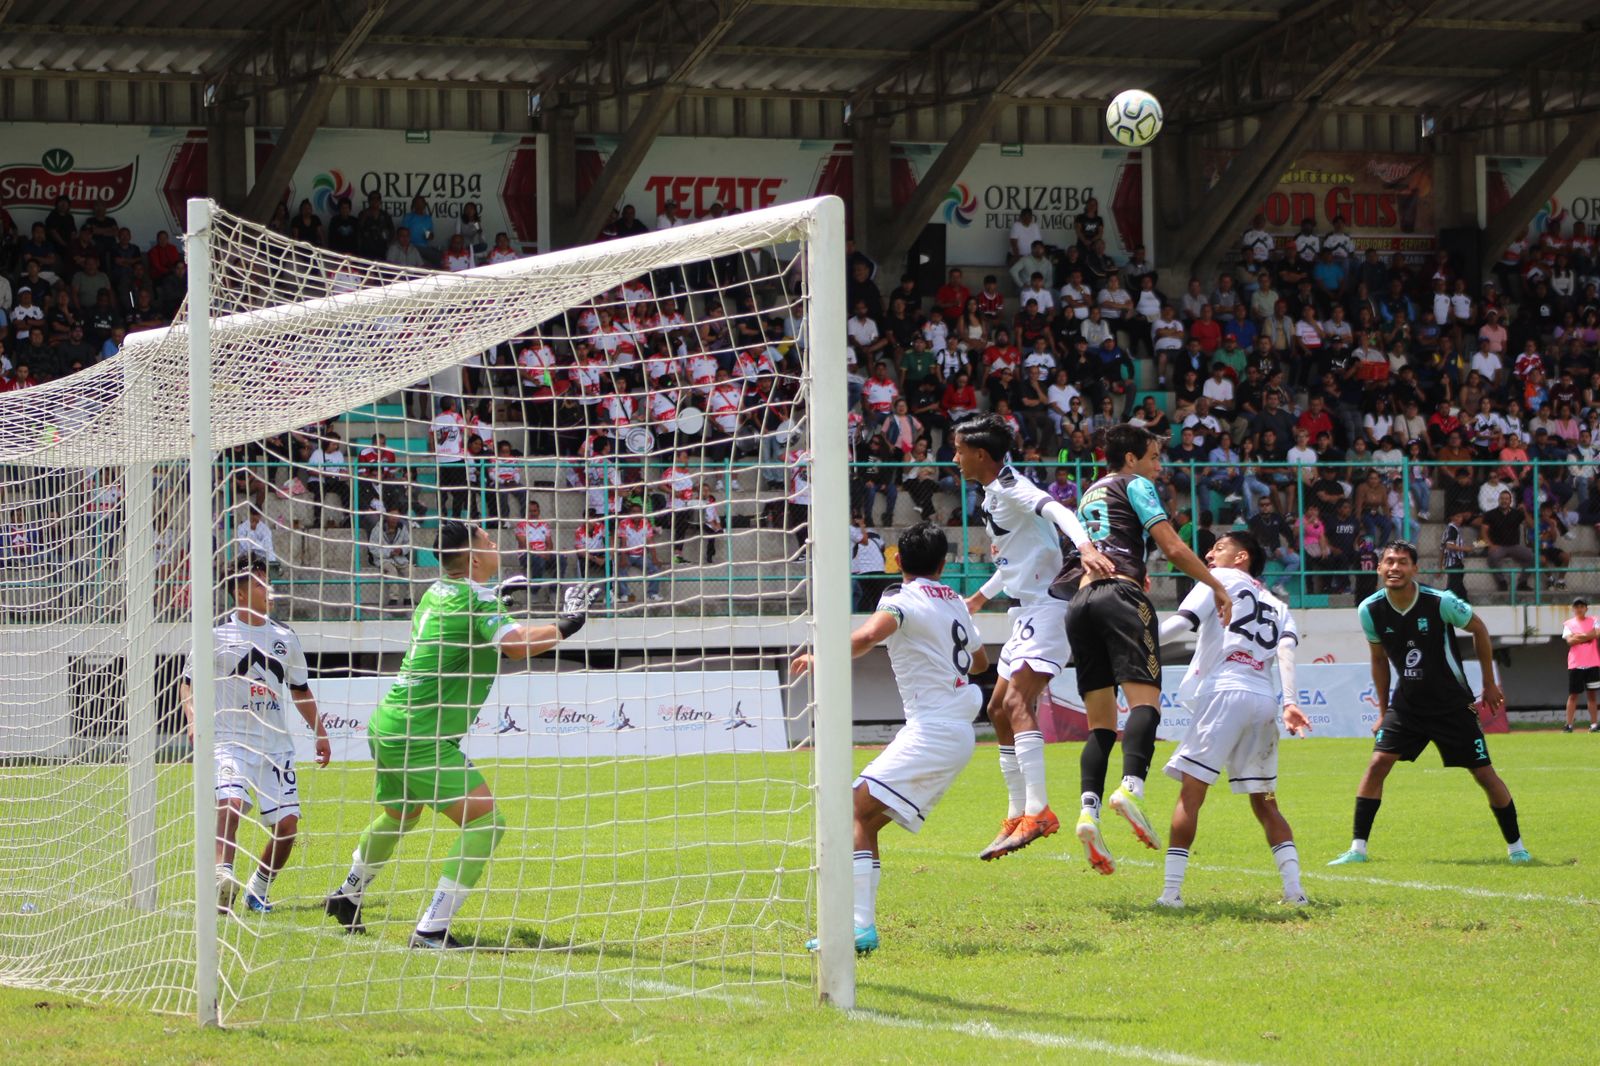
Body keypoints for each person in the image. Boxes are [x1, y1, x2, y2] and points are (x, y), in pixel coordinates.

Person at [323, 522, 595, 948]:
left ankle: (347, 894)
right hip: (422, 736)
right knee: (486, 822)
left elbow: (462, 634)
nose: (493, 544)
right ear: (471, 557)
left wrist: (499, 600)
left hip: (393, 724)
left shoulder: (437, 591)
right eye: (485, 541)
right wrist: (568, 624)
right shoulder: (474, 597)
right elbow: (516, 645)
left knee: (401, 816)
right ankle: (431, 930)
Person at [794, 523, 989, 956]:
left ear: (897, 560)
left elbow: (866, 636)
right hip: (956, 729)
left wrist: (820, 655)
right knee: (862, 819)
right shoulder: (955, 601)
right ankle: (857, 926)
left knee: (851, 812)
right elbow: (979, 663)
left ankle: (858, 928)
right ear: (944, 564)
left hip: (933, 730)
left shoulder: (901, 602)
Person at [1051, 423, 1231, 875]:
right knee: (1146, 701)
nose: (1158, 465)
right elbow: (1171, 546)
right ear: (1131, 459)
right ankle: (1130, 788)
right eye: (1153, 457)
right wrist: (1215, 585)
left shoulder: (1090, 493)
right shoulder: (1137, 484)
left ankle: (1088, 811)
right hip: (1120, 598)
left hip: (1081, 602)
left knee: (1099, 724)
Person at [952, 415, 1113, 860]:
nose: (955, 457)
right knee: (998, 708)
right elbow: (1015, 562)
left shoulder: (1010, 485)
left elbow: (1057, 509)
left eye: (959, 450)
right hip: (1023, 609)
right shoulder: (991, 493)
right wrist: (979, 599)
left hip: (1047, 609)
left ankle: (1040, 811)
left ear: (980, 454)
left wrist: (1085, 547)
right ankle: (1017, 812)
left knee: (1017, 704)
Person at [1328, 541, 1529, 866]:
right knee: (1377, 764)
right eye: (1389, 562)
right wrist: (1383, 713)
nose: (1395, 567)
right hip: (1407, 706)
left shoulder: (1441, 602)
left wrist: (1489, 683)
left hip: (1452, 705)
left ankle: (1517, 848)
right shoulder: (1370, 609)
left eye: (1402, 562)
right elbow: (1378, 660)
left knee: (1484, 774)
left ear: (1414, 569)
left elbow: (1479, 628)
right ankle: (1357, 850)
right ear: (1379, 569)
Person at [1155, 532, 1312, 908]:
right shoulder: (1278, 604)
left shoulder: (1218, 580)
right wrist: (1289, 703)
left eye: (1219, 548)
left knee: (1191, 795)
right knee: (1266, 801)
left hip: (1225, 692)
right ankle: (1295, 891)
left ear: (1241, 557)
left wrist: (1129, 644)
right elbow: (1286, 655)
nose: (1209, 554)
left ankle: (1170, 893)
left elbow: (1181, 624)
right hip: (1262, 699)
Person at [180, 555, 330, 913]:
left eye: (269, 582)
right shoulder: (215, 635)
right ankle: (221, 880)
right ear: (240, 591)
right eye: (261, 583)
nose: (269, 591)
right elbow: (188, 684)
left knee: (288, 827)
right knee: (230, 805)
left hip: (275, 747)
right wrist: (192, 720)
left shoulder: (284, 637)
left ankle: (257, 889)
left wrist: (320, 733)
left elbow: (300, 689)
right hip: (229, 740)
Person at [1562, 598, 1600, 733]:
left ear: (1586, 609)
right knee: (1573, 695)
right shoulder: (1568, 624)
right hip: (1575, 664)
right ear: (1573, 609)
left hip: (1592, 663)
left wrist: (1579, 636)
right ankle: (1569, 725)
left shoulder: (1594, 619)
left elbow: (1597, 633)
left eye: (1582, 606)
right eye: (1577, 607)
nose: (1579, 609)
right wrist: (1588, 636)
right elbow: (1570, 641)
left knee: (1592, 695)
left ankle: (1594, 724)